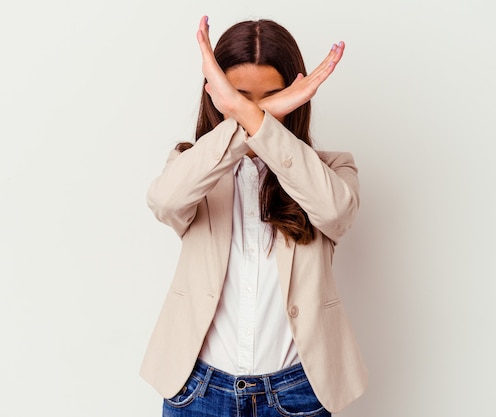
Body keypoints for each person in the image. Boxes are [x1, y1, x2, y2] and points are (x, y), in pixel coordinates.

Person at [141, 15, 367, 417]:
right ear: (216, 96)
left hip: (297, 391)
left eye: (271, 98)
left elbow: (337, 213)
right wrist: (261, 116)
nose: (253, 110)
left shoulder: (328, 171)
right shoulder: (193, 166)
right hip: (198, 391)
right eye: (239, 98)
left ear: (295, 97)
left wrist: (252, 118)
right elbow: (163, 202)